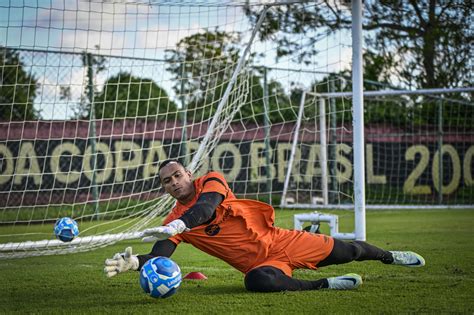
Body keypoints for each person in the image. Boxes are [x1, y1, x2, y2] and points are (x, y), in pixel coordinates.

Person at [104, 159, 425, 292]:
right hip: (262, 264)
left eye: (177, 175)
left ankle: (389, 256)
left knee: (351, 249)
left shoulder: (211, 181)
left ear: (189, 174)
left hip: (282, 241)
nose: (174, 183)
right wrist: (133, 263)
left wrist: (180, 226)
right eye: (166, 182)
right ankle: (326, 285)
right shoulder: (172, 221)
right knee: (256, 282)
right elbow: (161, 256)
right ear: (164, 189)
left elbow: (205, 209)